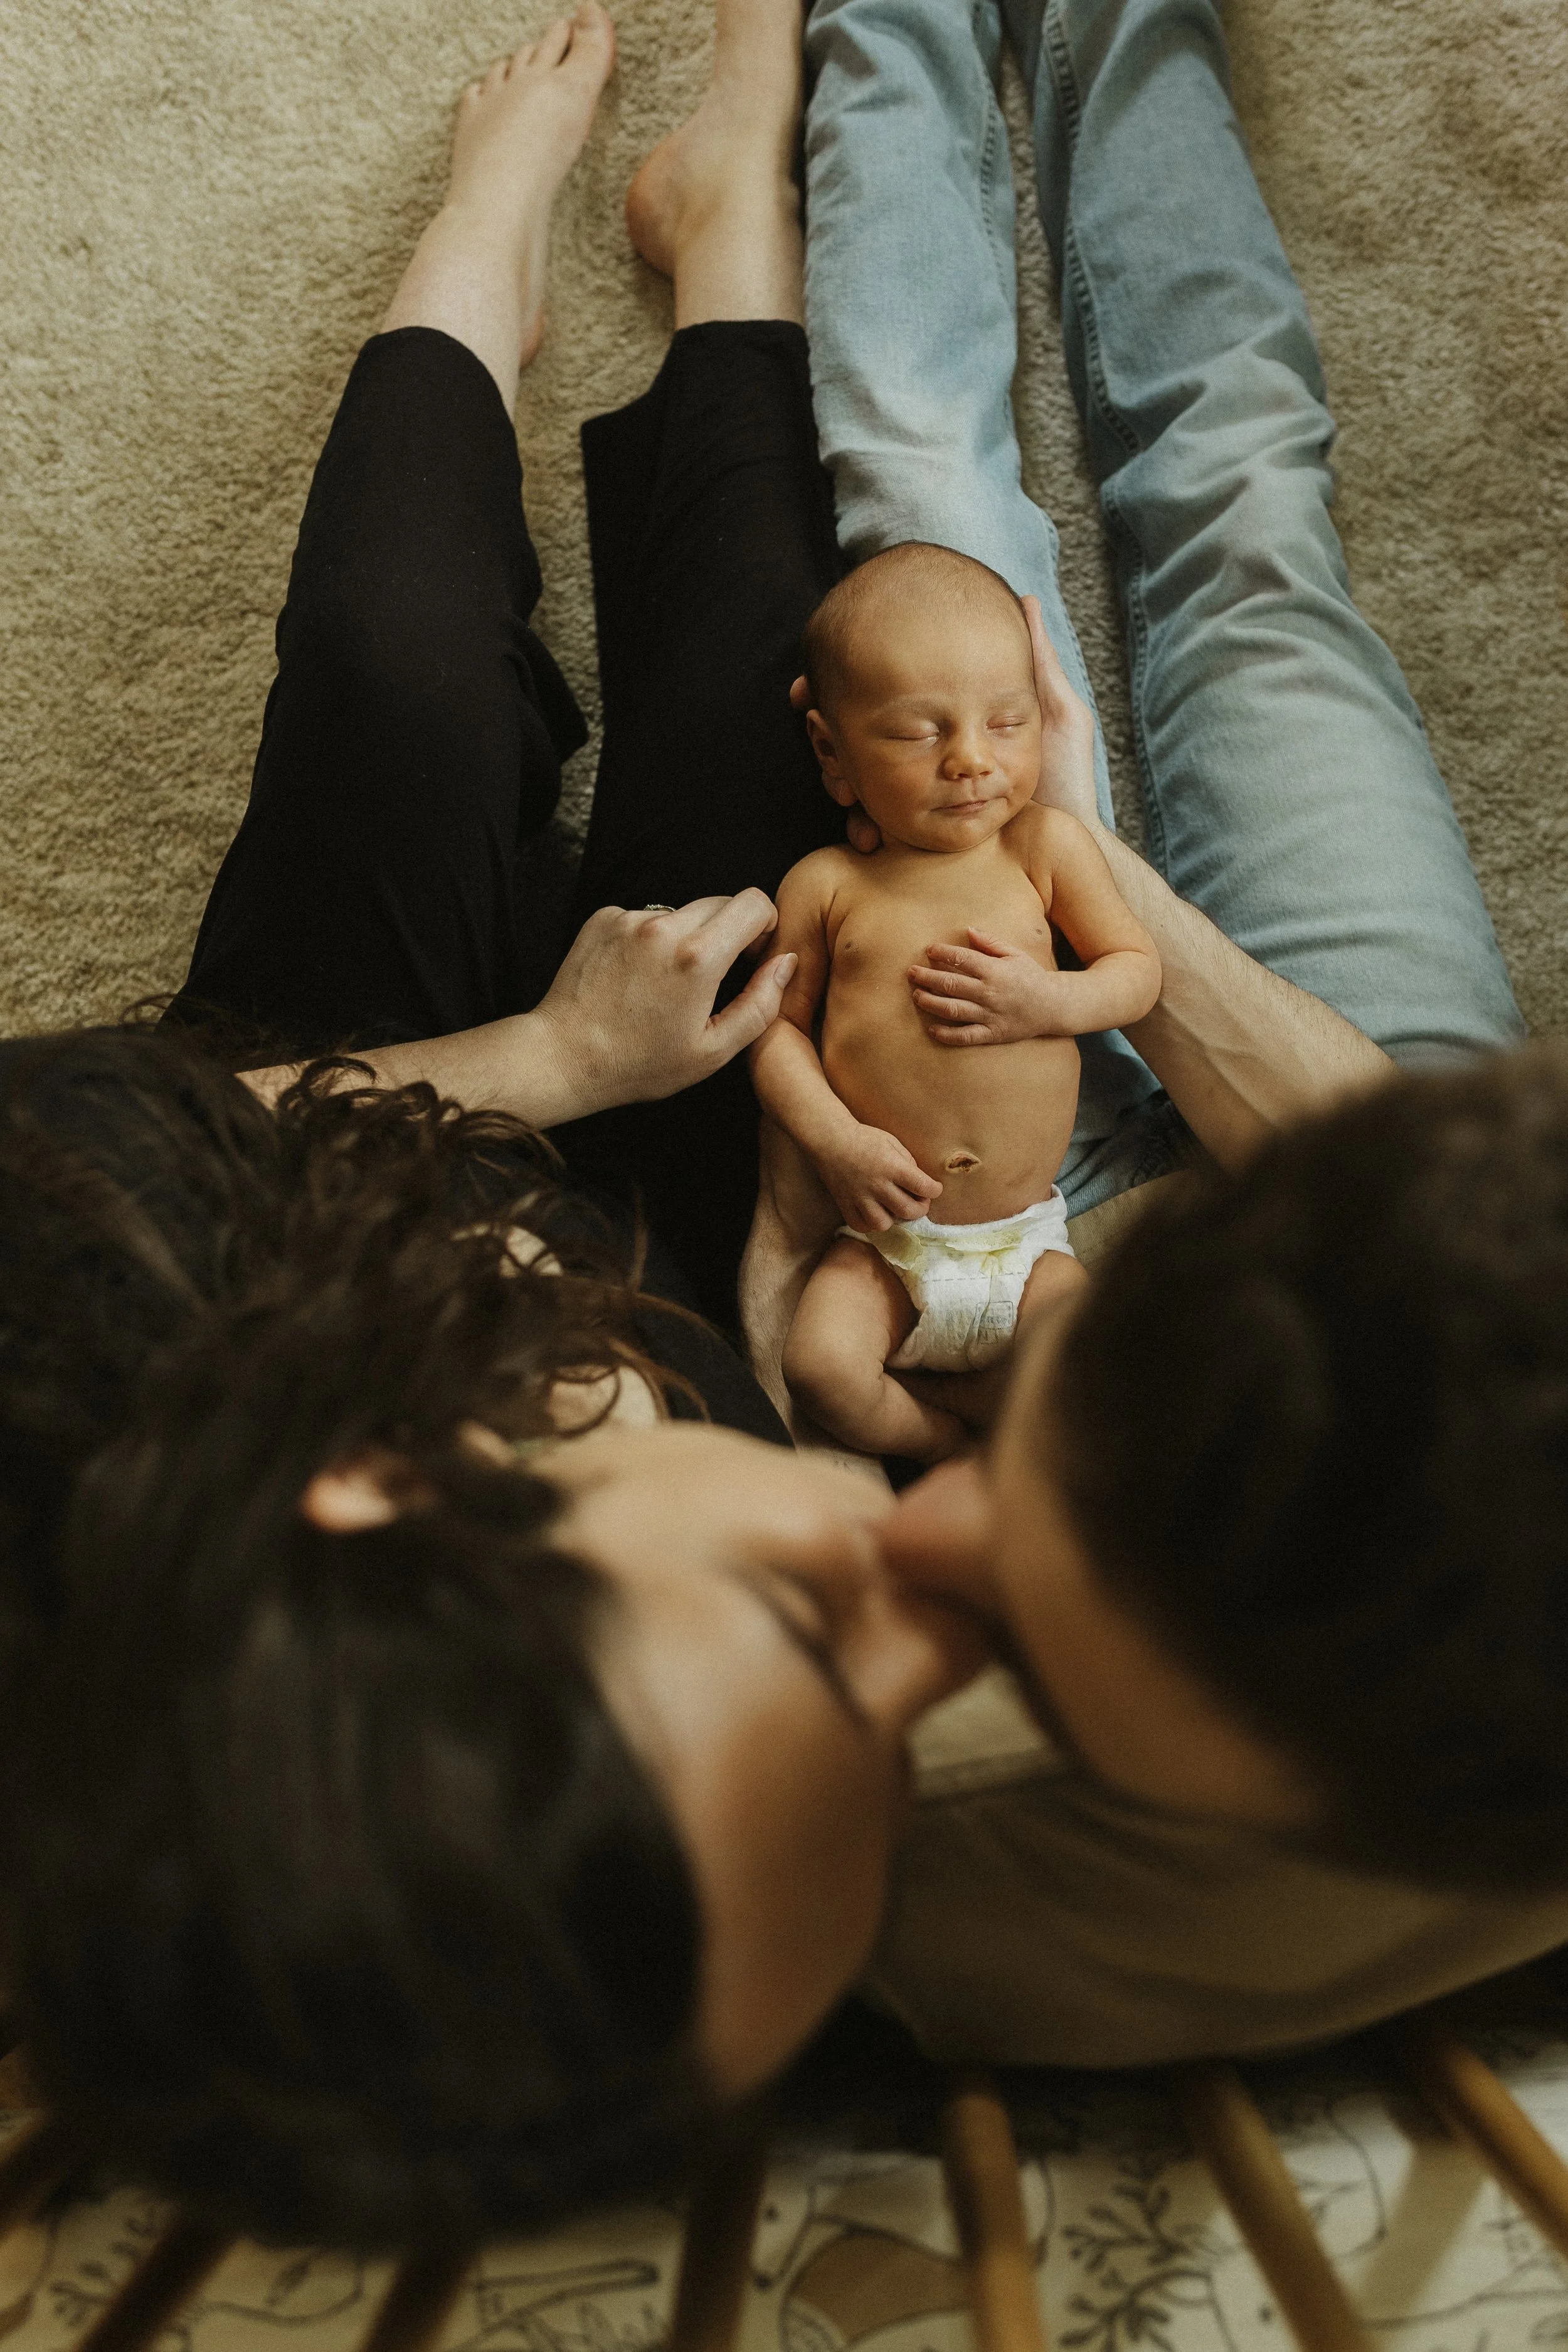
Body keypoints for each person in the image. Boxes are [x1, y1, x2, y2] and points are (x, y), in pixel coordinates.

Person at [6, 0, 1568, 2265]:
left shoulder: (84, 1394)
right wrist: (797, 1155)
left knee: (393, 665)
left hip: (352, 1097)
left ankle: (518, 228)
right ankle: (744, 228)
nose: (940, 1574)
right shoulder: (658, 1843)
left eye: (809, 1616)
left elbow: (102, 1134)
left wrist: (552, 1059)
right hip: (699, 1212)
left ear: (393, 1500)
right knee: (821, 658)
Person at [752, 543, 1159, 1458]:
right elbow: (774, 1036)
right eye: (916, 733)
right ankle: (944, 1441)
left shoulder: (1043, 848)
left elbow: (1136, 971)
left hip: (1030, 1243)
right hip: (889, 1244)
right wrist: (836, 1140)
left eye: (1008, 723)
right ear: (832, 753)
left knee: (1097, 1370)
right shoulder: (826, 883)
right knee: (818, 1367)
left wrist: (1046, 1002)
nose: (972, 760)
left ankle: (990, 1425)